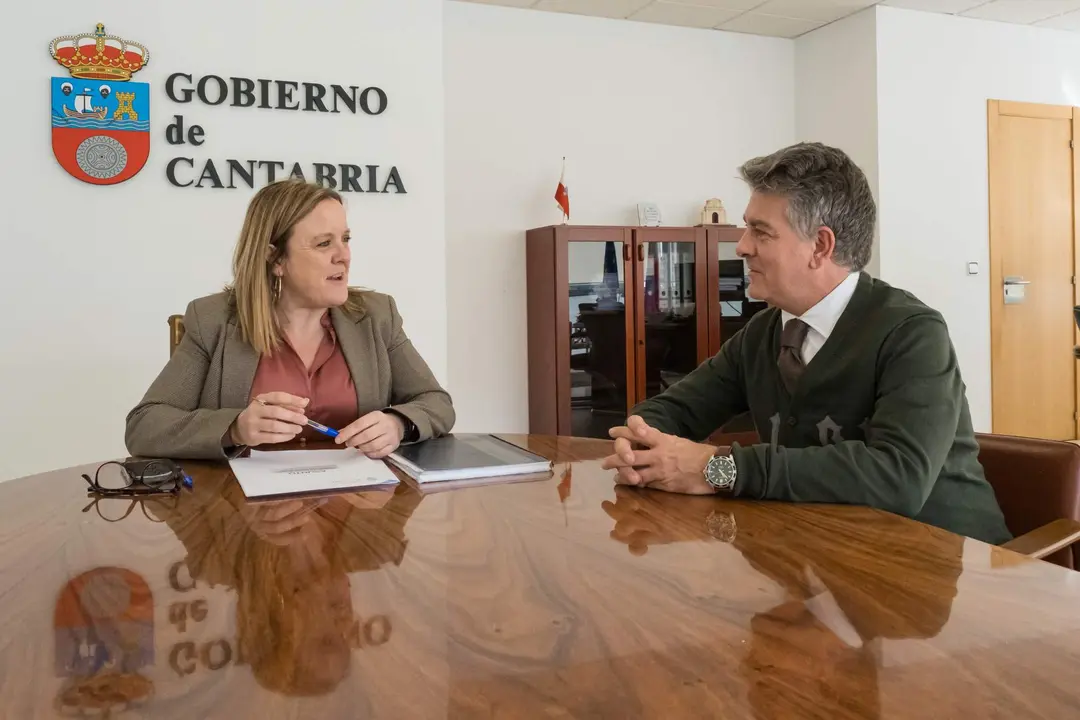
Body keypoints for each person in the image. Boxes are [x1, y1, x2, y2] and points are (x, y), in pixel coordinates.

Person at [601, 142, 1011, 545]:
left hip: (948, 571)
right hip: (826, 555)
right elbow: (671, 410)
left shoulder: (912, 333)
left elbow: (898, 477)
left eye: (760, 232)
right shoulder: (763, 333)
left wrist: (717, 467)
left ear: (820, 246)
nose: (741, 245)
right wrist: (640, 443)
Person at [125, 179, 454, 460]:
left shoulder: (376, 315)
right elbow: (145, 425)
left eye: (345, 239)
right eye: (324, 243)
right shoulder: (213, 321)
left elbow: (436, 403)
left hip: (359, 507)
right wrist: (235, 428)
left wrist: (398, 423)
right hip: (248, 514)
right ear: (275, 258)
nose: (344, 255)